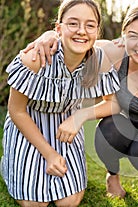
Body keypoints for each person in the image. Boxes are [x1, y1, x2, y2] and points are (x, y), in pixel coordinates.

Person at [23, 6, 138, 207]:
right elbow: (77, 39)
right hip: (125, 125)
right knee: (108, 130)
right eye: (133, 35)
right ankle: (112, 176)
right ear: (122, 37)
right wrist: (48, 35)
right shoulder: (113, 52)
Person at [1, 0, 120, 206]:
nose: (82, 31)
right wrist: (49, 153)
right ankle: (10, 164)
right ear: (58, 28)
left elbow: (114, 104)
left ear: (97, 31)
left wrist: (79, 116)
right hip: (28, 124)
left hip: (65, 126)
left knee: (69, 202)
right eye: (73, 23)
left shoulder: (99, 59)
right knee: (34, 203)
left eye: (90, 25)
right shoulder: (36, 57)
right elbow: (16, 110)